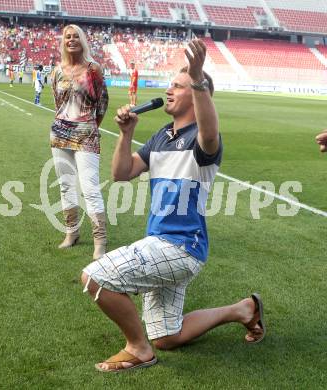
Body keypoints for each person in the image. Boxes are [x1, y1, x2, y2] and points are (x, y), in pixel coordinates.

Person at [81, 39, 265, 372]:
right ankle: (243, 310)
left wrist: (196, 78)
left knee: (96, 277)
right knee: (168, 335)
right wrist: (125, 134)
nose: (168, 91)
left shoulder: (202, 138)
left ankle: (138, 349)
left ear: (195, 94)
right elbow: (122, 173)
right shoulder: (161, 137)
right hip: (161, 243)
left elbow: (211, 132)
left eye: (176, 87)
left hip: (181, 247)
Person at [51, 24, 109, 259]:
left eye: (76, 36)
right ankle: (71, 233)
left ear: (82, 41)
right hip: (60, 133)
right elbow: (58, 103)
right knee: (65, 185)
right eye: (68, 37)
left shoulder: (93, 69)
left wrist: (90, 125)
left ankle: (100, 241)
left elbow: (102, 103)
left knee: (89, 188)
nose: (71, 40)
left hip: (86, 133)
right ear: (63, 42)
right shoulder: (56, 71)